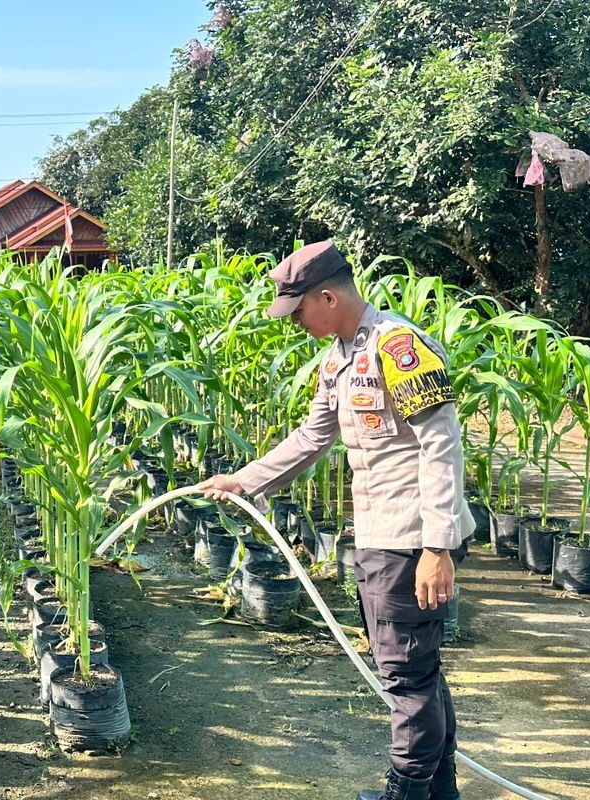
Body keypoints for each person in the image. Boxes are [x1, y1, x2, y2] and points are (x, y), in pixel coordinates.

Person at [199, 241, 473, 800]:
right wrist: (244, 481)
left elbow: (441, 444)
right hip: (378, 534)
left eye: (298, 310)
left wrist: (437, 547)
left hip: (411, 539)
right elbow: (312, 437)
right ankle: (438, 790)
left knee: (405, 676)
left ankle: (406, 791)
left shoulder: (399, 347)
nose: (295, 322)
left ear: (328, 297)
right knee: (416, 671)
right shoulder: (338, 359)